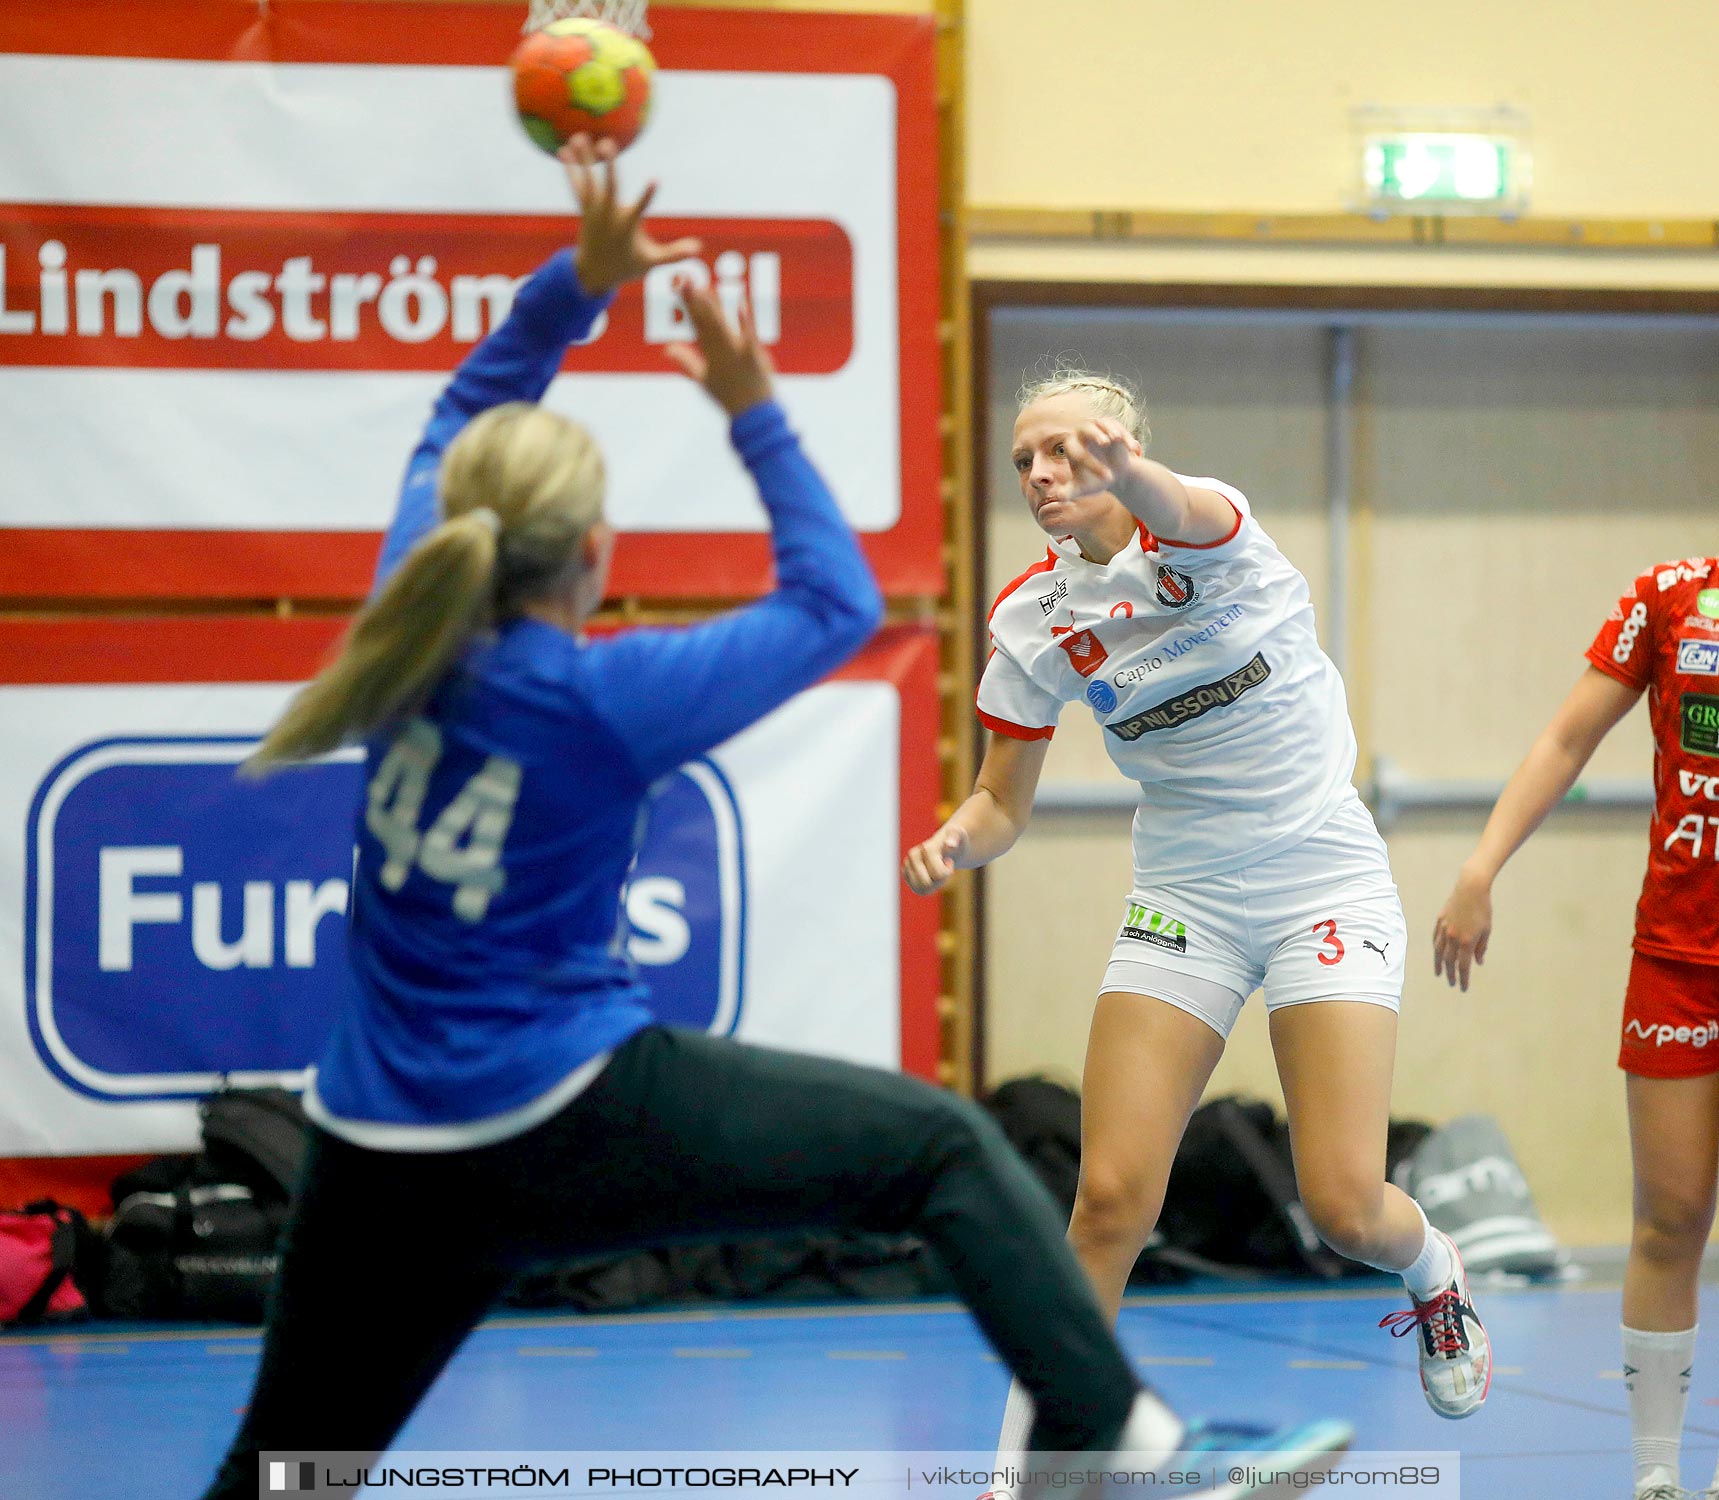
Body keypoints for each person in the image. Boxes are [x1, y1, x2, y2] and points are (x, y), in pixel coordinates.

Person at [197, 145, 1347, 1499]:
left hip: (374, 1147)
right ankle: (1138, 1450)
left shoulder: (408, 606)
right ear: (593, 553)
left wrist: (577, 283)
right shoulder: (598, 697)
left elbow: (465, 401)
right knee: (938, 1148)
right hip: (562, 1112)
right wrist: (747, 401)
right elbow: (832, 603)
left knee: (281, 1476)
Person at [904, 371, 1493, 1457]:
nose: (1041, 474)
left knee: (1347, 1205)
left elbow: (1177, 505)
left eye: (1068, 453)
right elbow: (1000, 801)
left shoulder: (1211, 530)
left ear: (1124, 450)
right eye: (1025, 459)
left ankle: (1434, 1272)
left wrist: (1130, 472)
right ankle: (1028, 1475)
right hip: (1187, 898)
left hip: (1322, 877)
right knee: (1108, 1206)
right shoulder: (1034, 621)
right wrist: (957, 840)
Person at [1434, 554, 1719, 1500]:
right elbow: (1564, 738)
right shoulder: (1671, 593)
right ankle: (1656, 1472)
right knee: (1671, 1216)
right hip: (1681, 953)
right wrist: (1480, 867)